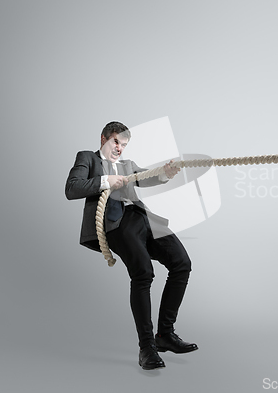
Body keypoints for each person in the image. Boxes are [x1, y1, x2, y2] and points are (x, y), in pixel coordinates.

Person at [65, 121, 197, 370]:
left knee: (182, 264)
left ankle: (165, 336)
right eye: (116, 141)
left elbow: (146, 177)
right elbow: (71, 189)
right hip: (116, 222)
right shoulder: (87, 158)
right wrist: (106, 181)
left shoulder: (128, 165)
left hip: (142, 218)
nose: (120, 148)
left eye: (124, 145)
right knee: (143, 273)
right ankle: (147, 347)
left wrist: (165, 173)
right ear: (103, 138)